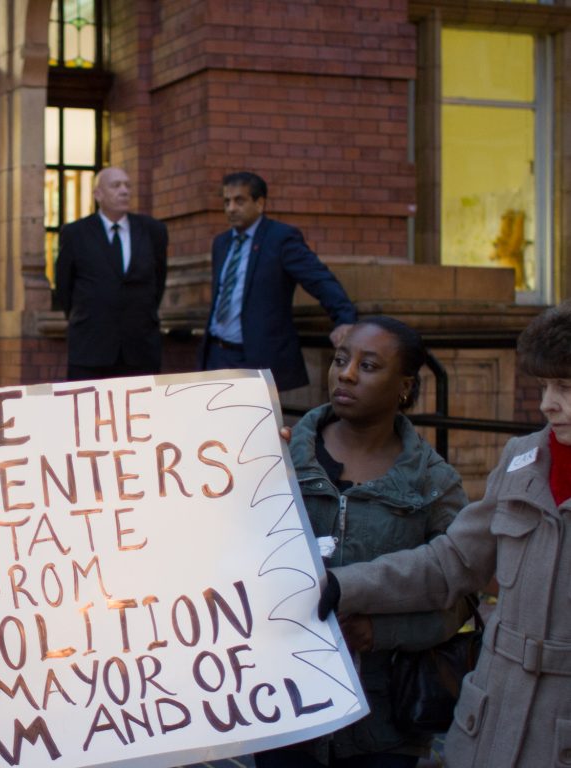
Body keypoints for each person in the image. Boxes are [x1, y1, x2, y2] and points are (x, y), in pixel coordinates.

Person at [318, 300, 571, 767]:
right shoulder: (522, 460)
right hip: (492, 720)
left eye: (566, 388)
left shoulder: (433, 478)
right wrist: (342, 586)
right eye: (545, 385)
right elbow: (451, 561)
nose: (546, 403)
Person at [255, 317, 470, 767]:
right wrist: (250, 476)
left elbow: (459, 600)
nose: (347, 373)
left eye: (368, 365)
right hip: (280, 708)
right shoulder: (276, 454)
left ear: (404, 387)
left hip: (384, 722)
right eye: (340, 360)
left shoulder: (435, 484)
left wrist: (380, 632)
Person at [201, 171, 357, 392]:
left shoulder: (281, 238)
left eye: (239, 200)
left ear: (260, 203)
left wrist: (344, 318)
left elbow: (318, 278)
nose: (231, 208)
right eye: (227, 202)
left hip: (254, 357)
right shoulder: (221, 243)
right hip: (216, 354)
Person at [54, 166, 168, 381]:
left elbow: (158, 280)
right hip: (91, 348)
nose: (124, 191)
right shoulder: (75, 233)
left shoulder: (153, 230)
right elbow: (64, 287)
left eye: (127, 185)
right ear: (98, 194)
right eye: (116, 185)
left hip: (140, 348)